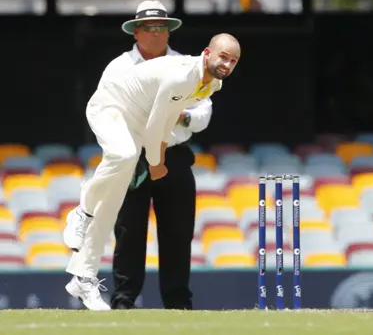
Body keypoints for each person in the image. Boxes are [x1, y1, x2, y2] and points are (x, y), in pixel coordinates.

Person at [63, 33, 241, 310]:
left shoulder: (210, 83)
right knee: (125, 166)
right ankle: (84, 209)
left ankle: (83, 278)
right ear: (207, 53)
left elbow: (171, 118)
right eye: (223, 57)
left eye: (233, 61)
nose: (227, 64)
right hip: (113, 111)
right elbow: (156, 124)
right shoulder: (179, 76)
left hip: (159, 142)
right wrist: (156, 163)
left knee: (123, 210)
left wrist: (158, 156)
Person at [105, 0, 211, 310]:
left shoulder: (188, 65)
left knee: (178, 233)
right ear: (136, 33)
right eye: (149, 28)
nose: (156, 34)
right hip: (132, 155)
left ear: (169, 31)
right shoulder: (119, 67)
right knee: (129, 232)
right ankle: (124, 301)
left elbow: (203, 112)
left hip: (174, 155)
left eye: (162, 27)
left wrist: (179, 114)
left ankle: (178, 303)